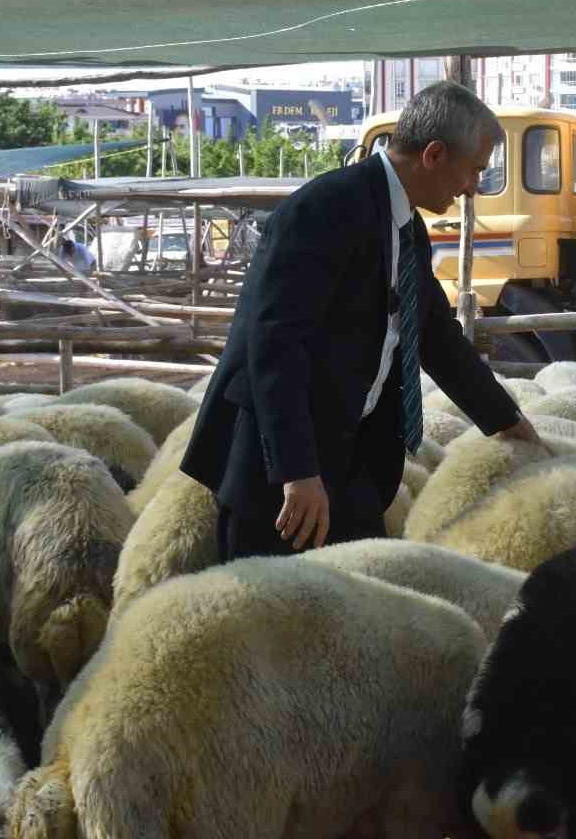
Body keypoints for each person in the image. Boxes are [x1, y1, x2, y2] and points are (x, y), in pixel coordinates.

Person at [180, 81, 540, 561]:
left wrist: (508, 421)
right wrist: (296, 470)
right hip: (280, 474)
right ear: (434, 154)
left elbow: (433, 334)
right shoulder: (324, 210)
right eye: (474, 170)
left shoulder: (405, 227)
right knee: (275, 617)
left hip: (353, 461)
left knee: (357, 606)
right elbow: (275, 343)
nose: (472, 187)